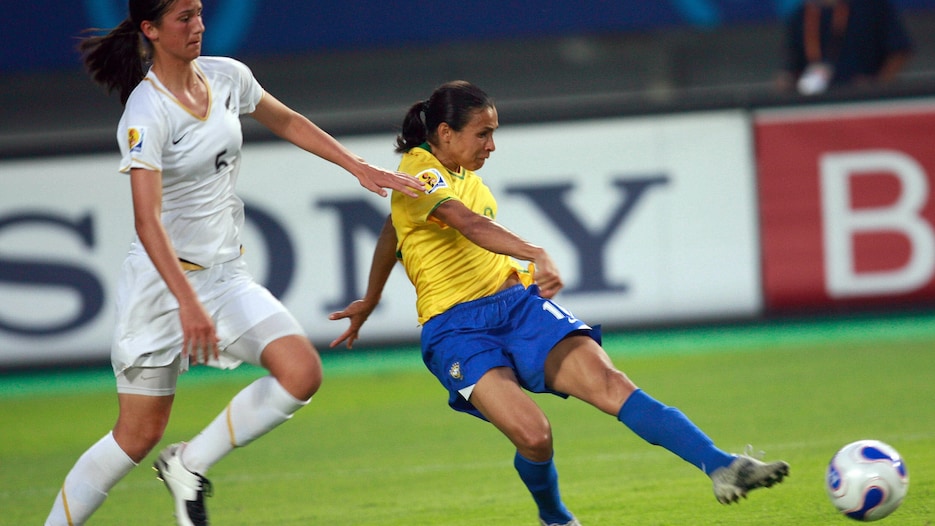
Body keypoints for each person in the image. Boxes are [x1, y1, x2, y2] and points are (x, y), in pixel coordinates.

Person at [329, 80, 790, 525]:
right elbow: (467, 223)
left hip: (516, 305)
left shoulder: (457, 175)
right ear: (446, 133)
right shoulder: (418, 170)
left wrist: (370, 299)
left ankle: (723, 466)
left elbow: (392, 229)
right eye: (483, 134)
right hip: (457, 330)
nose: (492, 145)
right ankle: (554, 518)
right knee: (534, 436)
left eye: (493, 133)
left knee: (610, 383)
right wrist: (535, 252)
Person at [44, 1, 424, 525]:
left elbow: (285, 119)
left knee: (301, 372)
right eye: (183, 18)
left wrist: (356, 165)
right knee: (136, 435)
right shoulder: (146, 112)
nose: (198, 25)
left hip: (225, 276)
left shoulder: (227, 76)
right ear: (150, 29)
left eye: (199, 12)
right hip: (162, 288)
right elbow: (147, 222)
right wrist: (186, 304)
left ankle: (188, 464)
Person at [776, 0, 914, 95]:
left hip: (864, 100)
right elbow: (792, 66)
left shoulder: (872, 6)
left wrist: (878, 85)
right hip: (817, 102)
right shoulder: (801, 15)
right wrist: (787, 82)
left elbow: (899, 51)